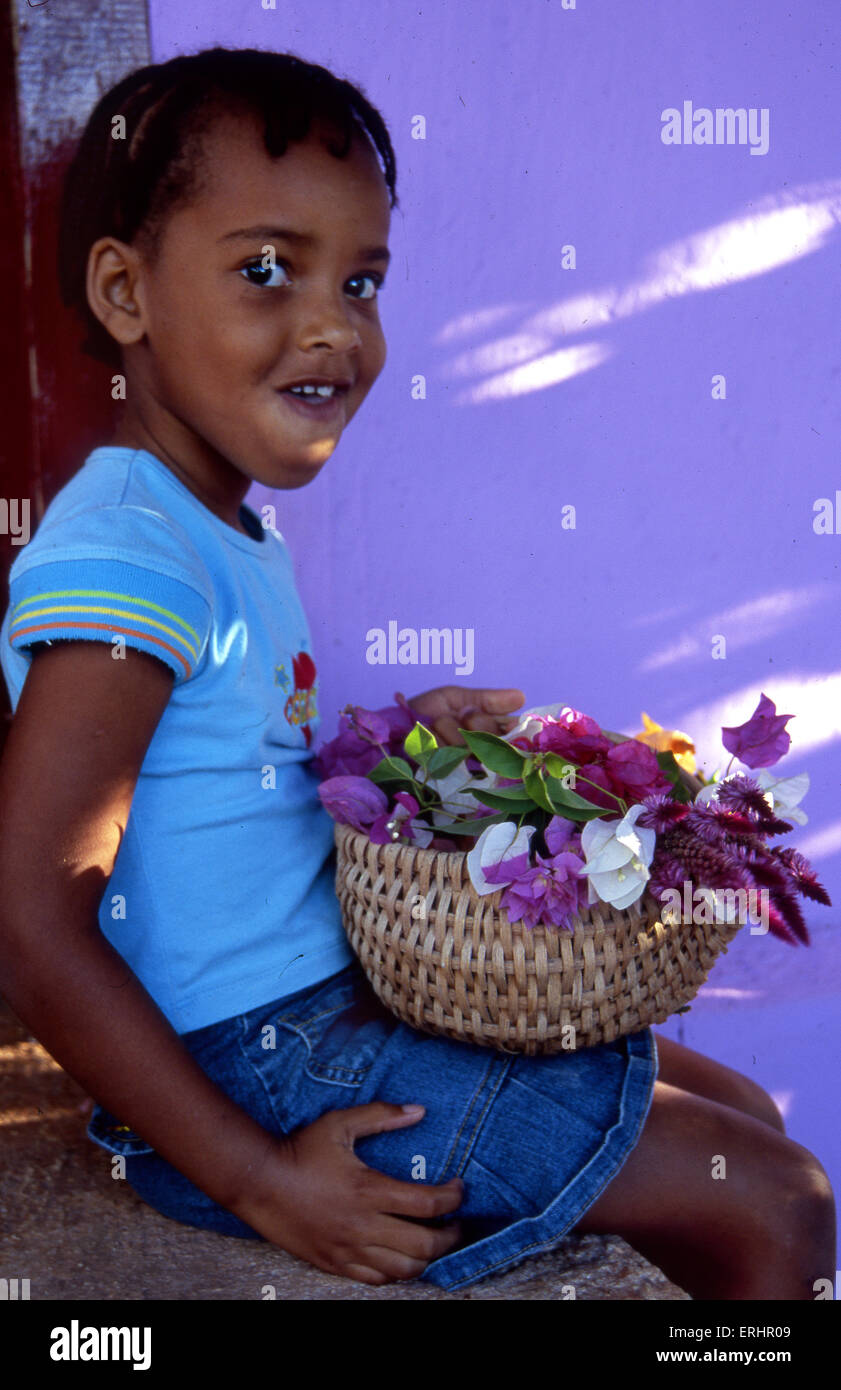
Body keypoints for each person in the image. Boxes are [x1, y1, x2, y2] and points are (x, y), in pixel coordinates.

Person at [0, 47, 833, 1299]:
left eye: (364, 277)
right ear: (125, 290)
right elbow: (30, 916)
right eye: (266, 268)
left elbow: (213, 775)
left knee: (738, 1110)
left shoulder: (215, 526)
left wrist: (386, 744)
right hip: (251, 1074)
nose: (335, 321)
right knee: (775, 1203)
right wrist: (260, 1177)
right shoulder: (129, 552)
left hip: (311, 1019)